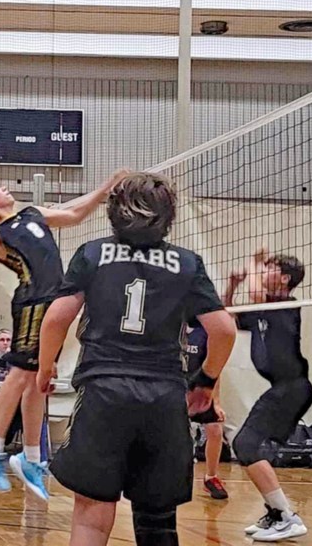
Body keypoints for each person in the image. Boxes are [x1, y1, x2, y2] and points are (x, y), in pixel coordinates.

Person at [36, 172, 238, 546]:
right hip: (164, 396)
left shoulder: (92, 254)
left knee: (91, 515)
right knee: (158, 518)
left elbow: (56, 319)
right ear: (168, 216)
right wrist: (206, 381)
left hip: (103, 391)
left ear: (114, 211)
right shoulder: (188, 263)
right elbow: (224, 330)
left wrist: (46, 367)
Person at [0, 170, 126, 500]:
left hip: (54, 302)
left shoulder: (32, 214)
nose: (5, 186)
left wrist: (105, 187)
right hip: (32, 301)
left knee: (40, 380)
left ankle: (31, 458)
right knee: (22, 373)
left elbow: (74, 213)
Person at [224, 248, 311, 542]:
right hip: (284, 388)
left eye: (270, 268)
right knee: (254, 448)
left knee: (245, 443)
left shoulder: (286, 305)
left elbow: (258, 294)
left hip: (292, 387)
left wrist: (253, 262)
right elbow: (230, 316)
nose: (263, 273)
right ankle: (276, 513)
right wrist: (232, 286)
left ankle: (286, 516)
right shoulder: (264, 308)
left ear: (284, 279)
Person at [184, 319, 229, 500]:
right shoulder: (171, 325)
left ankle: (211, 477)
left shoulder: (206, 331)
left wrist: (215, 401)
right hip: (174, 386)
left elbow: (215, 370)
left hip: (200, 388)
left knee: (216, 429)